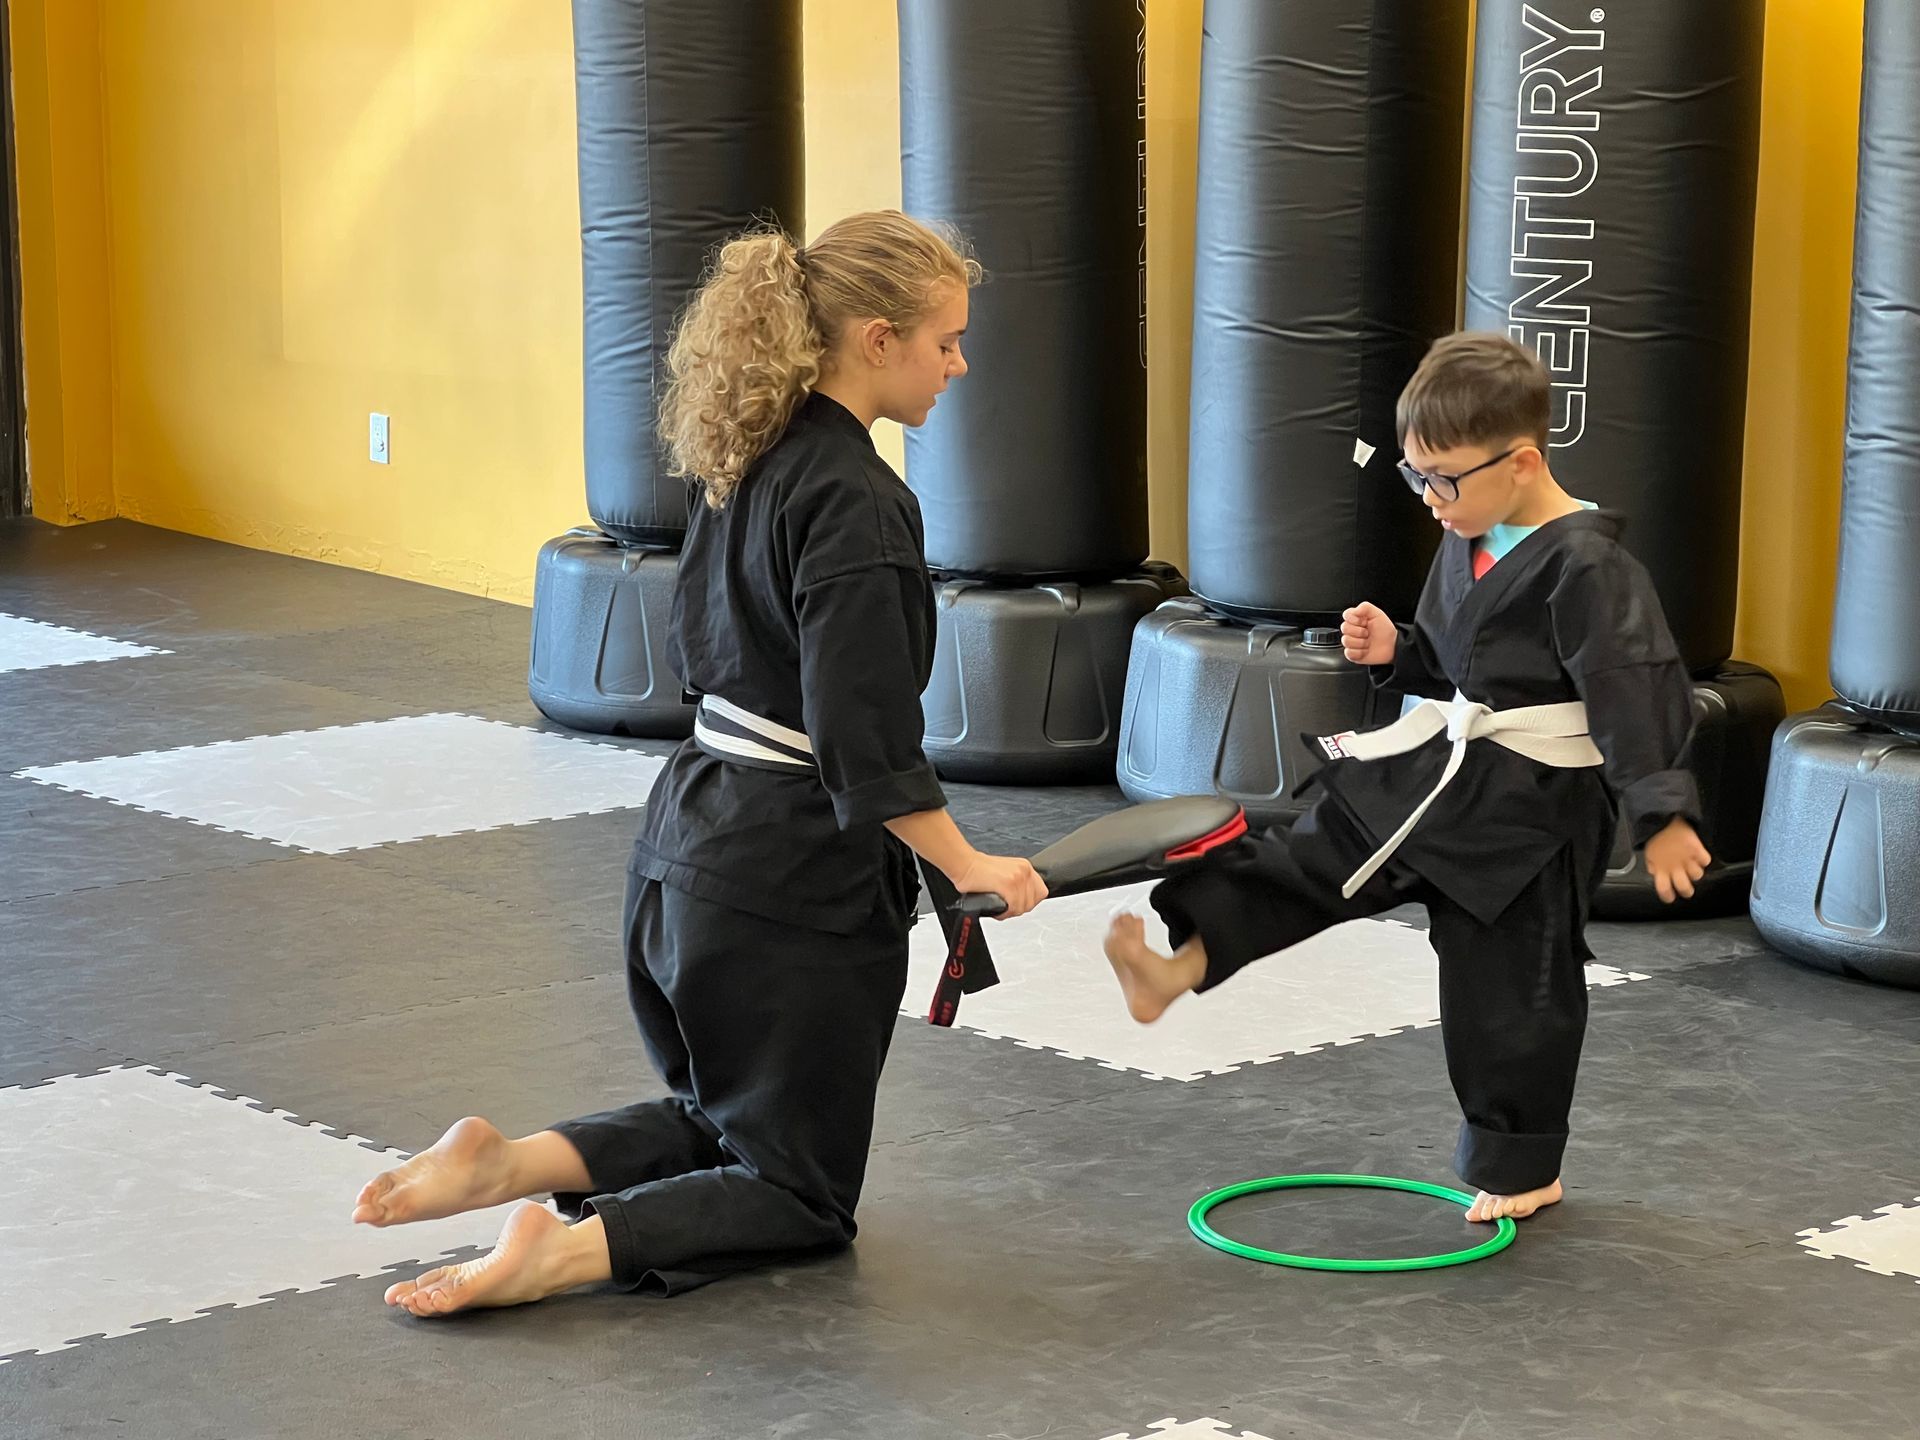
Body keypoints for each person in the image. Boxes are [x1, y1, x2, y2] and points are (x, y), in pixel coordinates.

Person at [352, 211, 1047, 1315]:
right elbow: (863, 740)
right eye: (945, 340)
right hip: (788, 888)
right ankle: (564, 1250)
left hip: (685, 853)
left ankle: (509, 1163)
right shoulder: (861, 503)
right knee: (799, 1189)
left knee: (724, 1119)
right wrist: (969, 862)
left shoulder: (746, 462)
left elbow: (710, 664)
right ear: (875, 340)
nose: (959, 365)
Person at [1104, 331, 1711, 1224]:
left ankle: (1523, 1163)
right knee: (1320, 849)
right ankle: (1180, 965)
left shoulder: (1590, 566)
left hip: (1531, 813)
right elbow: (1470, 663)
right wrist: (1403, 652)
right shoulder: (1473, 533)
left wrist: (1663, 813)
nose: (1429, 500)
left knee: (1507, 989)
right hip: (1448, 768)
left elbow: (1635, 686)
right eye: (1416, 476)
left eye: (1446, 479)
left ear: (1523, 462)